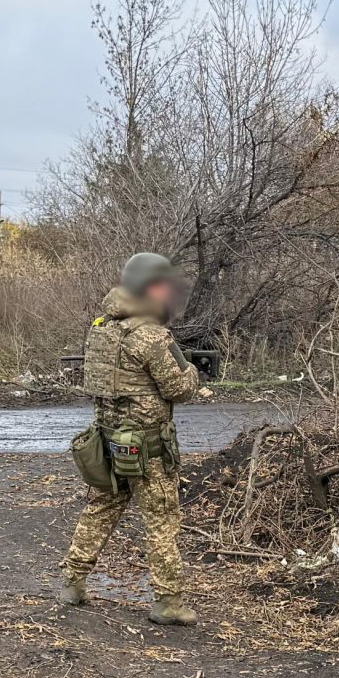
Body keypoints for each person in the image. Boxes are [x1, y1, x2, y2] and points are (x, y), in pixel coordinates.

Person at [60, 251, 203, 626]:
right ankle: (168, 602)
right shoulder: (152, 336)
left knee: (102, 508)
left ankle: (73, 582)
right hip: (147, 450)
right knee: (161, 519)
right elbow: (179, 389)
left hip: (109, 441)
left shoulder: (102, 328)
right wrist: (192, 372)